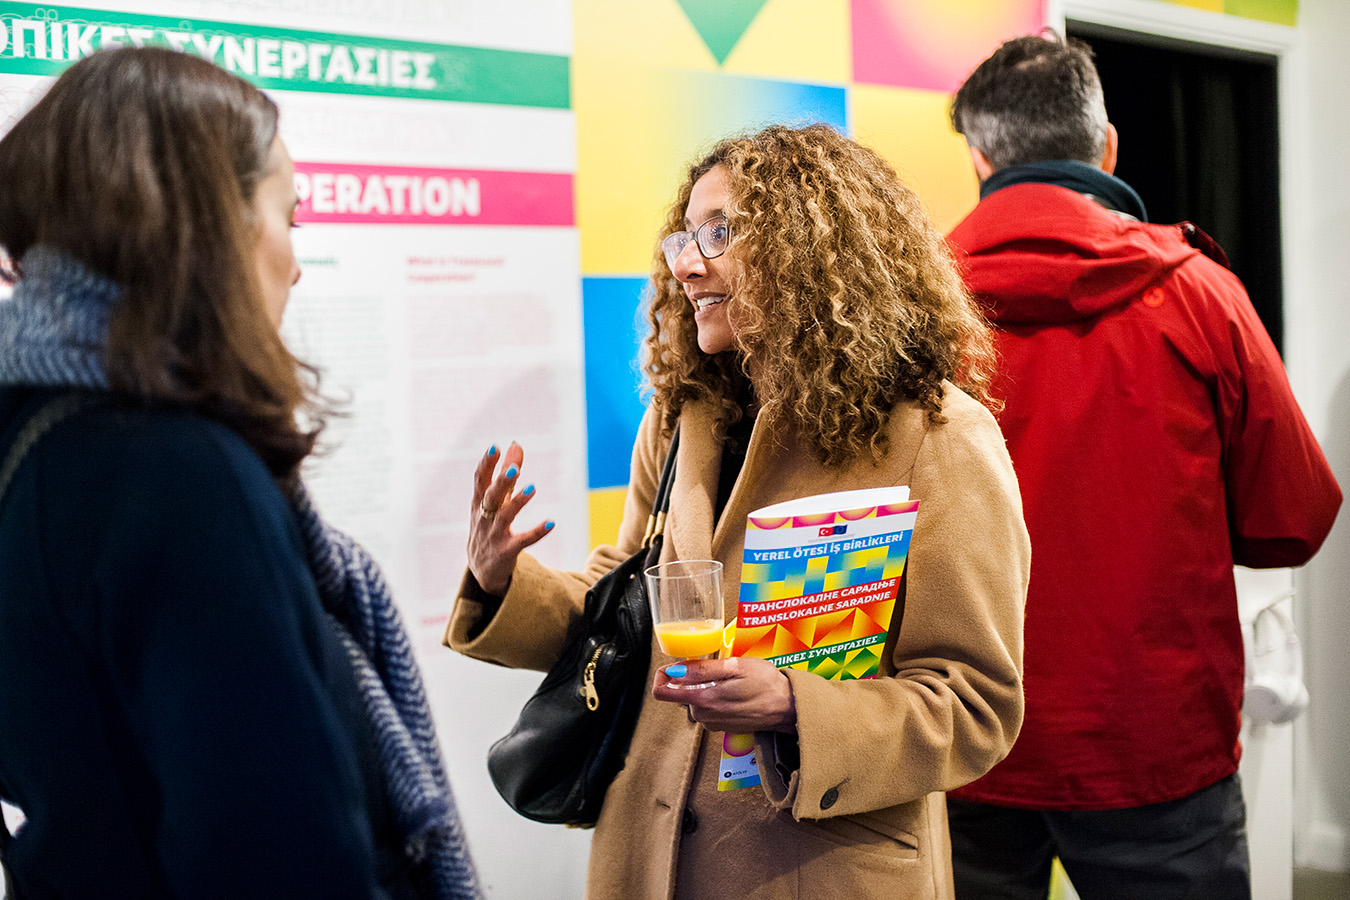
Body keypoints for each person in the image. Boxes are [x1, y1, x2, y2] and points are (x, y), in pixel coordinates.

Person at [445, 123, 1031, 899]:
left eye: (718, 233)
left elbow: (973, 701)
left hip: (814, 869)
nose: (685, 264)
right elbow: (623, 603)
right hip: (646, 848)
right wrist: (501, 581)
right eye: (684, 236)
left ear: (811, 250)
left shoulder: (936, 436)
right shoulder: (680, 417)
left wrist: (798, 706)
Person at [0, 47, 480, 900]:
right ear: (208, 225)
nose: (294, 262)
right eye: (287, 218)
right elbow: (283, 853)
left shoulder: (32, 440)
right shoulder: (180, 476)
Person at [944, 31, 1343, 900]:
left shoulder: (911, 313)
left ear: (979, 159)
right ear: (1107, 146)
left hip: (960, 732)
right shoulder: (1198, 293)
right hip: (1153, 745)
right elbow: (1296, 518)